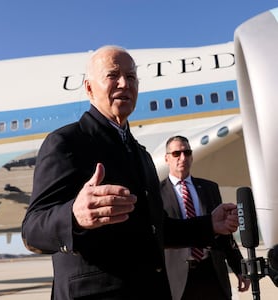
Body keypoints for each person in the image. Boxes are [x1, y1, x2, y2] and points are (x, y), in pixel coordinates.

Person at [21, 45, 239, 300]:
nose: (125, 83)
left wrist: (208, 224)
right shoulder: (67, 143)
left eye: (132, 77)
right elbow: (32, 230)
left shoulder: (141, 155)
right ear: (90, 88)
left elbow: (156, 229)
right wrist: (74, 216)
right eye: (113, 75)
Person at [160, 135, 250, 300]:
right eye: (176, 154)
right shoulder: (158, 194)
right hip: (178, 279)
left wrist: (239, 268)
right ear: (167, 158)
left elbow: (224, 233)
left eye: (187, 153)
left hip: (212, 272)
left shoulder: (209, 188)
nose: (182, 158)